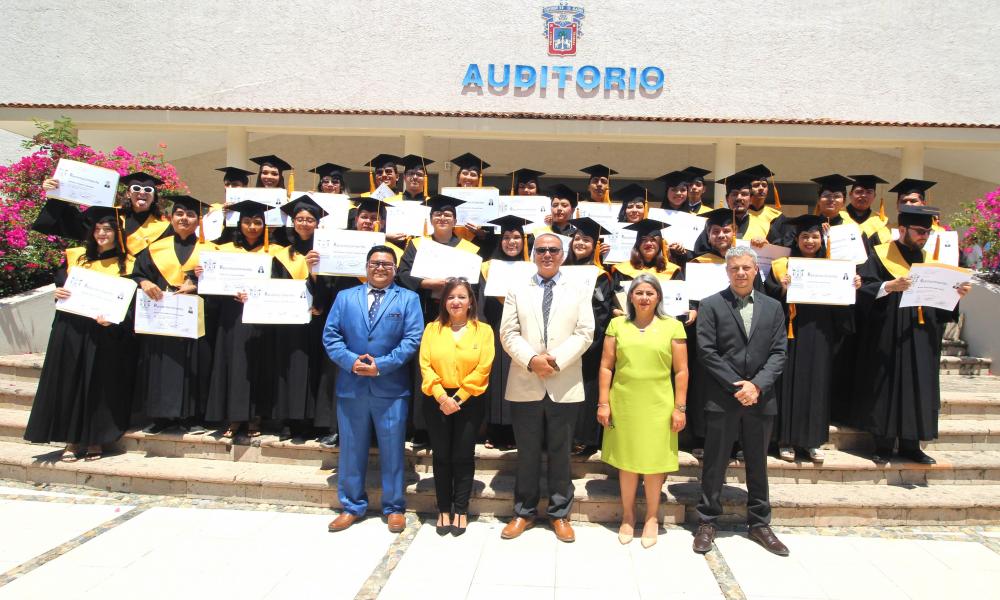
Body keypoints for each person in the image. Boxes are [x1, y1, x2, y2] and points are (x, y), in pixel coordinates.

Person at [851, 205, 972, 464]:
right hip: (888, 331)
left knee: (919, 385)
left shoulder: (931, 261)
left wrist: (955, 296)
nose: (924, 237)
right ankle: (882, 444)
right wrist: (889, 286)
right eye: (919, 231)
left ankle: (912, 445)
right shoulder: (879, 255)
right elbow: (862, 289)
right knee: (887, 383)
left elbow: (941, 306)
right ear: (902, 229)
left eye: (927, 232)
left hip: (921, 334)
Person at [499, 233, 595, 543]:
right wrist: (531, 360)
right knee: (526, 452)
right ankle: (523, 512)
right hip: (525, 380)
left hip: (563, 380)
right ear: (533, 255)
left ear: (563, 254)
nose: (547, 254)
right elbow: (508, 332)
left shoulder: (579, 289)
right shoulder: (517, 289)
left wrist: (555, 361)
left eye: (553, 250)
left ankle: (559, 513)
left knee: (560, 453)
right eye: (541, 250)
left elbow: (585, 332)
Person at [693, 246, 788, 557]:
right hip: (723, 397)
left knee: (758, 463)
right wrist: (739, 386)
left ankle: (760, 522)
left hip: (760, 399)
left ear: (755, 269)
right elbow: (707, 351)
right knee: (715, 462)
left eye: (747, 267)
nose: (741, 273)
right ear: (727, 271)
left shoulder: (773, 307)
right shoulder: (711, 305)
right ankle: (707, 520)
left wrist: (757, 386)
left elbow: (779, 353)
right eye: (735, 268)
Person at [24, 207, 137, 461]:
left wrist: (114, 320)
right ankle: (72, 440)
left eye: (108, 229)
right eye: (97, 229)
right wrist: (58, 293)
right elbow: (63, 289)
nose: (102, 234)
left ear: (117, 233)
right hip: (72, 330)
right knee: (71, 383)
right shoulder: (76, 257)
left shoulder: (129, 263)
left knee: (99, 385)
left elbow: (130, 303)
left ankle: (95, 438)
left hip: (105, 332)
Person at [324, 245, 423, 534]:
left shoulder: (408, 298)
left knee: (393, 450)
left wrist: (380, 365)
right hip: (351, 385)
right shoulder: (345, 298)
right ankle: (352, 505)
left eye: (388, 264)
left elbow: (412, 339)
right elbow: (331, 336)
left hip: (390, 387)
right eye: (376, 263)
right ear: (366, 266)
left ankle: (394, 507)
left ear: (395, 269)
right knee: (351, 449)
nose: (381, 268)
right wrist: (352, 362)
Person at [597, 273, 688, 548]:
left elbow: (682, 371)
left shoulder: (673, 326)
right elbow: (606, 366)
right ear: (631, 297)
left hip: (658, 404)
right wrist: (603, 402)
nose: (644, 297)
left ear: (658, 296)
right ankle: (627, 516)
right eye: (639, 293)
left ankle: (651, 517)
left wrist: (679, 408)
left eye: (650, 292)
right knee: (627, 462)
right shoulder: (616, 325)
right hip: (624, 403)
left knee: (653, 463)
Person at [763, 214, 859, 463]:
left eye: (814, 236)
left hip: (820, 334)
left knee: (817, 386)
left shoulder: (835, 267)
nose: (809, 240)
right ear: (797, 238)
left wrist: (851, 287)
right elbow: (767, 297)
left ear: (821, 240)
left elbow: (843, 305)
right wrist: (781, 289)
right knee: (786, 384)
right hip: (789, 332)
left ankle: (812, 442)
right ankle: (784, 440)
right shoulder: (781, 265)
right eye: (805, 236)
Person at [418, 278, 495, 536]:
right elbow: (425, 365)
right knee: (441, 456)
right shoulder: (432, 329)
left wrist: (458, 398)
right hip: (436, 400)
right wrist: (442, 397)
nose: (456, 302)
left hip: (469, 401)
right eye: (451, 297)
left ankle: (460, 508)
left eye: (462, 296)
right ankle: (443, 508)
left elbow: (483, 368)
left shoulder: (483, 331)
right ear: (444, 301)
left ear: (471, 301)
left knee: (462, 456)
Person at [132, 195, 214, 435]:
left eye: (190, 215)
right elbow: (136, 274)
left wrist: (198, 285)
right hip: (162, 318)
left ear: (198, 221)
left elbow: (221, 285)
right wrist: (145, 282)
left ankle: (193, 417)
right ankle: (161, 417)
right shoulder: (155, 248)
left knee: (194, 366)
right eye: (179, 214)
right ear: (171, 217)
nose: (184, 219)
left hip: (195, 319)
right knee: (162, 365)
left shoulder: (209, 249)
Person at [204, 199, 276, 439]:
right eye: (247, 222)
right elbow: (211, 289)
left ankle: (256, 417)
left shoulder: (274, 253)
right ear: (239, 224)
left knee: (258, 367)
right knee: (233, 365)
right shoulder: (223, 251)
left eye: (257, 222)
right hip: (232, 317)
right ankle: (234, 417)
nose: (252, 227)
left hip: (261, 320)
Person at [266, 195, 327, 440]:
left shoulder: (324, 252)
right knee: (289, 366)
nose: (304, 223)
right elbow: (273, 287)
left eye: (309, 219)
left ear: (317, 224)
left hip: (317, 320)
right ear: (293, 222)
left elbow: (332, 285)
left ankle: (314, 420)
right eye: (300, 219)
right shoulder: (282, 255)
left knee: (315, 367)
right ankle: (289, 419)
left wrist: (320, 302)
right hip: (289, 322)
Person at [564, 217, 618, 456]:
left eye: (586, 239)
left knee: (586, 389)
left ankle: (584, 438)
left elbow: (602, 312)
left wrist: (587, 343)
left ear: (595, 245)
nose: (580, 243)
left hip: (589, 345)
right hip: (560, 344)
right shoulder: (560, 271)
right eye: (577, 238)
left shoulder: (601, 276)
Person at [479, 215, 533, 450]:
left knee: (519, 380)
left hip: (523, 330)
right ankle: (494, 431)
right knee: (495, 381)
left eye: (516, 237)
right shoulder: (488, 268)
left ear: (524, 241)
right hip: (494, 325)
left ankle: (515, 432)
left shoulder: (533, 268)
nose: (512, 242)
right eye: (507, 237)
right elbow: (480, 301)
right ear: (500, 241)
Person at [35, 172, 171, 257]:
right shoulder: (108, 215)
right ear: (128, 194)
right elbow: (72, 224)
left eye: (148, 190)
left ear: (154, 197)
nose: (142, 192)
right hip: (109, 277)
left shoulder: (165, 226)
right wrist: (58, 193)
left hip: (145, 285)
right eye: (136, 189)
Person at [396, 195, 479, 322]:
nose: (442, 218)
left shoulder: (468, 248)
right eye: (437, 214)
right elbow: (402, 273)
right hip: (423, 307)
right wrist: (425, 283)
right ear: (431, 219)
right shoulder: (417, 244)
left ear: (455, 221)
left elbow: (475, 286)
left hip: (457, 310)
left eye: (447, 215)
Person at [691, 171, 770, 255]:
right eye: (735, 194)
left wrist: (767, 246)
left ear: (751, 199)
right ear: (727, 199)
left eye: (744, 194)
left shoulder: (764, 225)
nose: (739, 198)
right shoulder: (714, 223)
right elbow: (700, 253)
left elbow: (776, 254)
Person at [845, 174, 891, 250]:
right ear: (850, 194)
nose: (863, 195)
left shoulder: (882, 221)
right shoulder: (838, 215)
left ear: (874, 196)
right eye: (859, 191)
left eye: (869, 192)